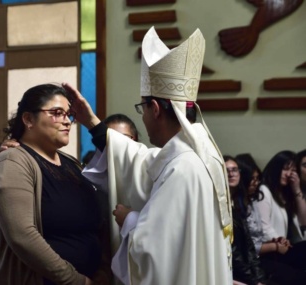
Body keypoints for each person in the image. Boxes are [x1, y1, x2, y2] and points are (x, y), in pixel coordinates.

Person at [67, 27, 232, 284]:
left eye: (142, 108)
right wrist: (93, 124)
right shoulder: (199, 155)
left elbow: (154, 252)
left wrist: (129, 219)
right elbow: (140, 159)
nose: (141, 117)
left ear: (155, 108)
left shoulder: (182, 169)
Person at [0, 83, 109, 285]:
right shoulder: (12, 162)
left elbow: (96, 224)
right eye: (57, 113)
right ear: (28, 119)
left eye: (69, 114)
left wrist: (103, 270)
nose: (66, 121)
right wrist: (76, 280)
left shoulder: (71, 163)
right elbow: (23, 237)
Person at [233, 157, 306, 285]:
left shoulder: (255, 199)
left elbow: (303, 222)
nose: (255, 183)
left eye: (257, 179)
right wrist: (276, 245)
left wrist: (297, 190)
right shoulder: (262, 192)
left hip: (270, 250)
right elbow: (249, 246)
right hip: (264, 255)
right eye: (285, 169)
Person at [224, 156, 267, 285]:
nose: (231, 174)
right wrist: (254, 281)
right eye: (227, 170)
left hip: (244, 269)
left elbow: (249, 247)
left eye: (234, 170)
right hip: (231, 272)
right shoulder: (221, 204)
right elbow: (233, 251)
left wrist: (259, 278)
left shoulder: (239, 201)